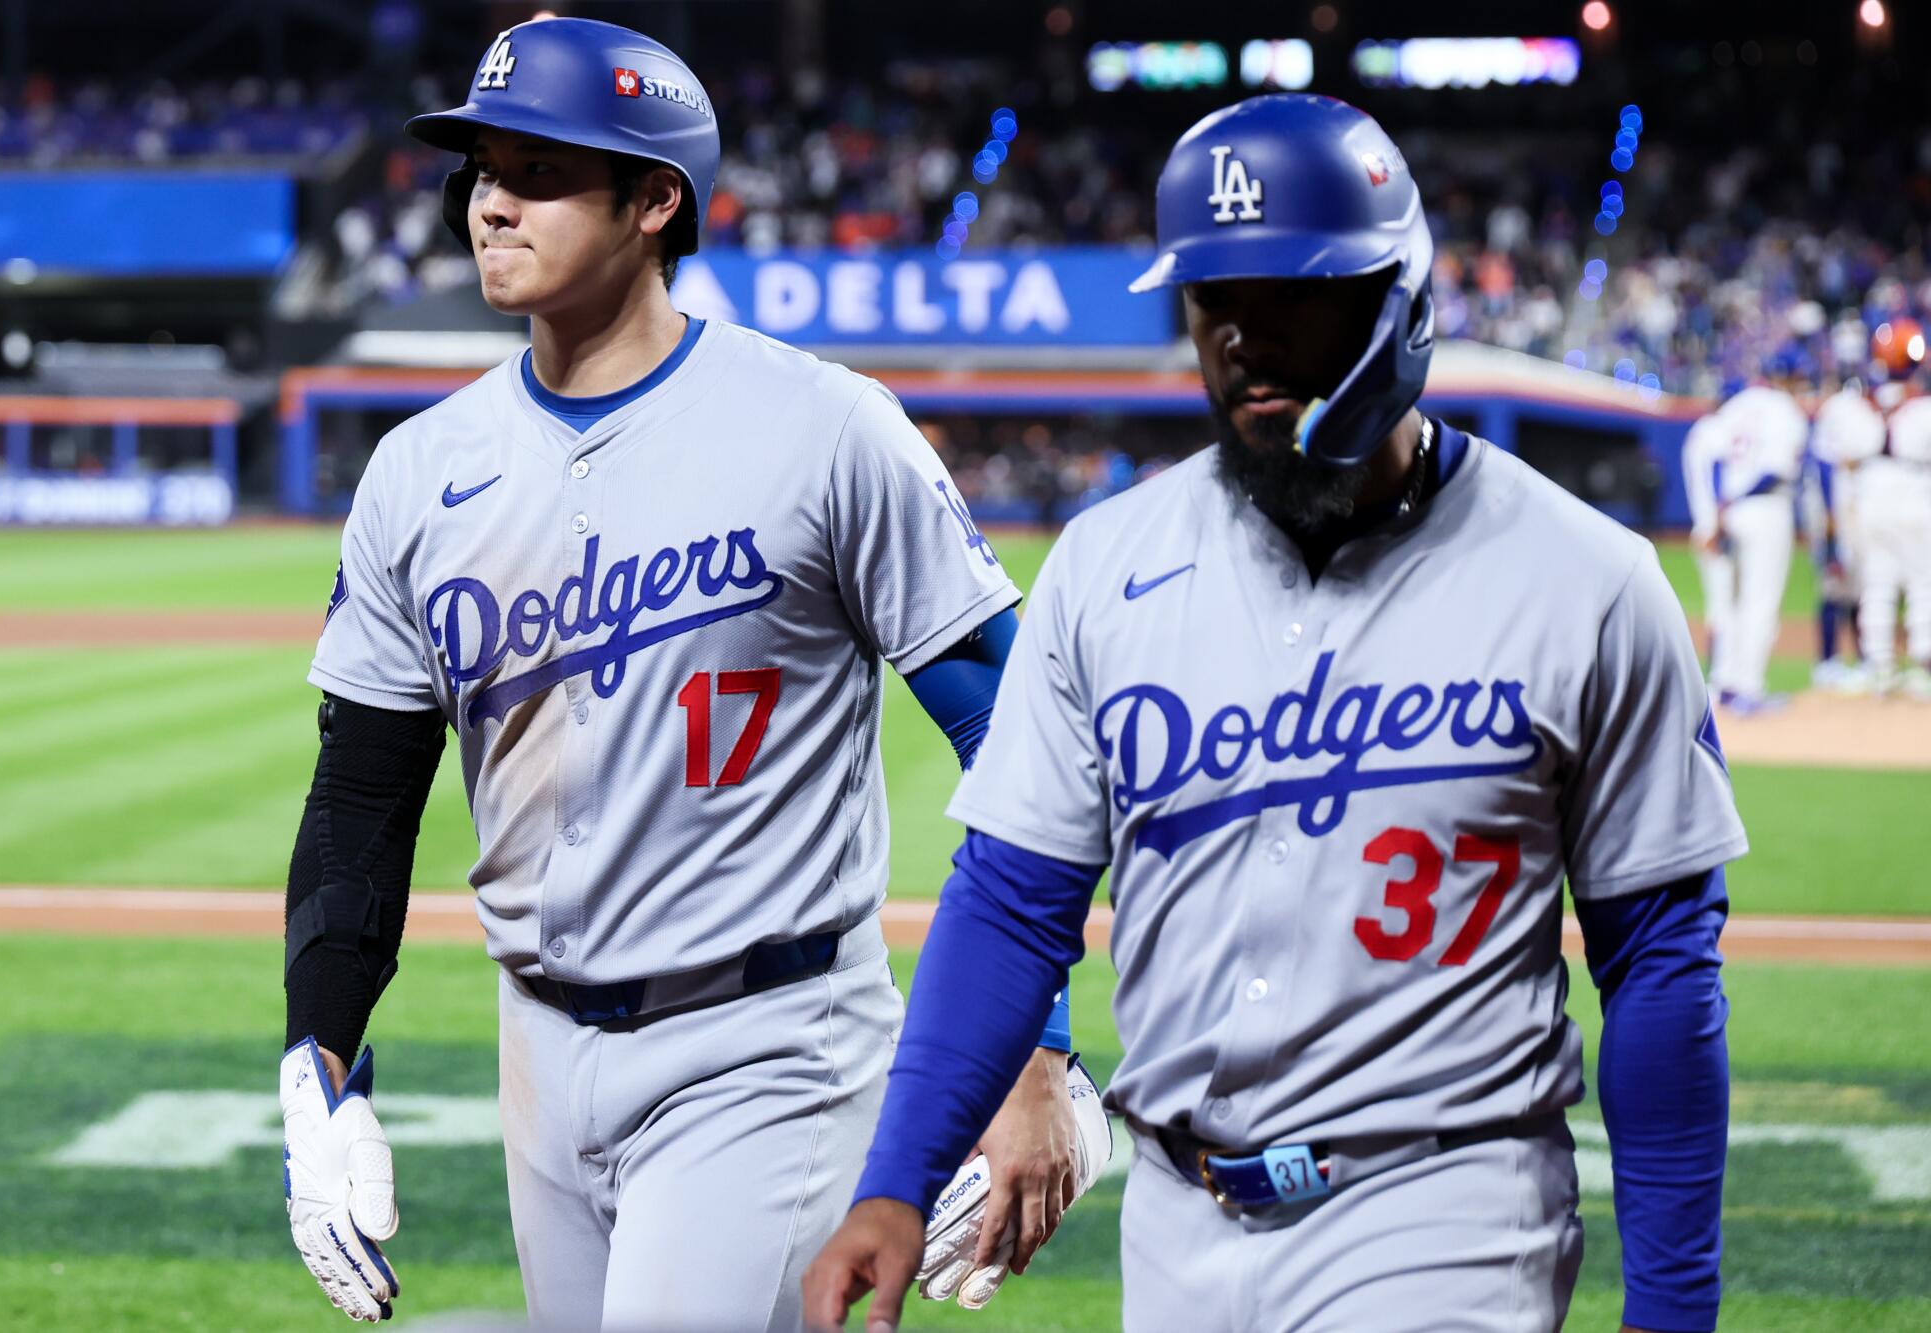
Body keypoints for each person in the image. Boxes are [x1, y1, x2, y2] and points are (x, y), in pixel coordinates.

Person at [805, 94, 1745, 1333]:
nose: (1243, 337)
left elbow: (1657, 958)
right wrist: (896, 1183)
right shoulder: (1104, 567)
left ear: (1399, 299)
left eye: (1291, 296)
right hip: (1178, 1224)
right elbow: (1009, 899)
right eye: (1212, 301)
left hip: (1447, 1214)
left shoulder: (1585, 579)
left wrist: (1672, 1306)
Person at [275, 19, 1087, 1330]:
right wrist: (315, 1065)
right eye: (482, 167)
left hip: (769, 1043)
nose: (489, 203)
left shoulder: (825, 429)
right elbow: (361, 794)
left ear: (657, 202)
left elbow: (1018, 728)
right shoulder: (422, 472)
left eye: (536, 171)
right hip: (536, 1044)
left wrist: (1035, 1044)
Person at [1711, 368, 1808, 715]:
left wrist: (1723, 503)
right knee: (1760, 601)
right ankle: (1748, 689)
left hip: (1732, 508)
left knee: (1733, 601)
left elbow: (1717, 460)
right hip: (1766, 507)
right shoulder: (1784, 408)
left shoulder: (1736, 404)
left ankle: (1724, 683)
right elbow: (1773, 471)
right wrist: (1738, 495)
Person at [1805, 379, 1886, 692]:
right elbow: (1824, 465)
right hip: (1835, 507)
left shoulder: (1866, 415)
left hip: (1856, 508)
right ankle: (1827, 662)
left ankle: (1866, 660)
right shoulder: (1842, 409)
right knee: (1833, 585)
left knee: (1860, 589)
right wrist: (1828, 516)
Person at [1861, 378, 1931, 698]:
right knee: (1923, 582)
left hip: (1873, 490)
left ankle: (1880, 667)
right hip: (1913, 488)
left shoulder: (1866, 408)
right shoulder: (1923, 409)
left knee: (1877, 585)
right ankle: (1922, 667)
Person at [1680, 405, 1736, 696]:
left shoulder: (1698, 431)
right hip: (1714, 526)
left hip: (1704, 524)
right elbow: (1717, 471)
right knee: (1723, 607)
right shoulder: (1716, 430)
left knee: (1722, 605)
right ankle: (1718, 680)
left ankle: (1719, 678)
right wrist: (1717, 521)